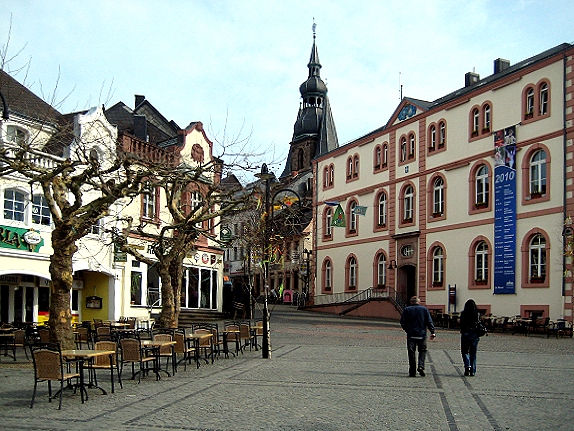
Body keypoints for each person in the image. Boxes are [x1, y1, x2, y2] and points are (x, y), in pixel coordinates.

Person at [400, 296, 436, 377]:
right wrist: (432, 332)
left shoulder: (407, 310)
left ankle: (412, 371)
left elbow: (402, 322)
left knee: (411, 352)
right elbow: (429, 321)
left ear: (411, 302)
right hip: (422, 334)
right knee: (422, 351)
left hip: (411, 334)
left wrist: (407, 330)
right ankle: (421, 366)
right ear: (419, 302)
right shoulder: (424, 310)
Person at [460, 299, 481, 376]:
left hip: (465, 334)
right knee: (473, 353)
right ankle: (472, 371)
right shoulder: (477, 314)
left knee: (464, 351)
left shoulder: (463, 313)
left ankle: (467, 366)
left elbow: (461, 324)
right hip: (475, 334)